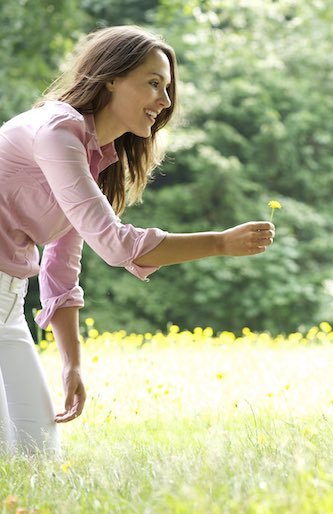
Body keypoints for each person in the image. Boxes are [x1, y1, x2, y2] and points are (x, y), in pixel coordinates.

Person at [0, 26, 276, 455]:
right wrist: (219, 243)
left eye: (167, 88)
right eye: (153, 83)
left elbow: (59, 268)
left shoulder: (90, 158)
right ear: (111, 77)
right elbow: (114, 244)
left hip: (8, 305)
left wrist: (71, 363)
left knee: (38, 456)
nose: (164, 102)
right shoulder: (57, 131)